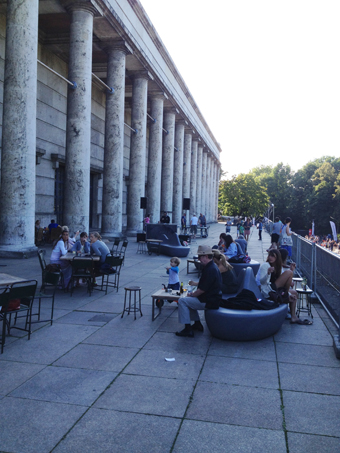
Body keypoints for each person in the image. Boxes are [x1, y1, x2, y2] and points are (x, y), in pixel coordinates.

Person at [175, 245, 222, 337]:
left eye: (200, 257)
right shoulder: (212, 266)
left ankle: (188, 329)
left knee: (182, 301)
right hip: (212, 299)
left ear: (205, 256)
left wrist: (192, 294)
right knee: (188, 301)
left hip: (209, 301)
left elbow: (202, 290)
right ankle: (197, 324)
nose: (199, 259)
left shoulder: (210, 269)